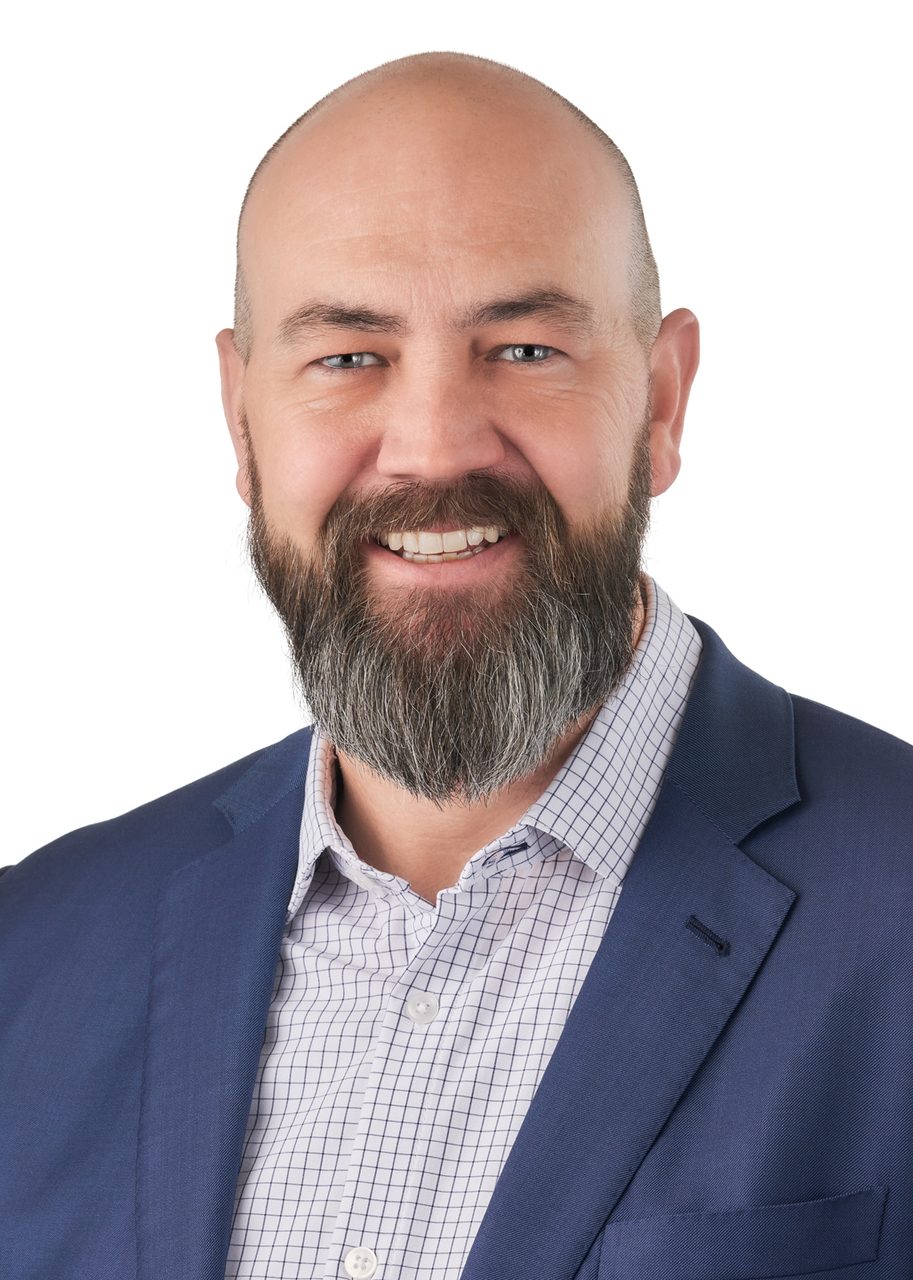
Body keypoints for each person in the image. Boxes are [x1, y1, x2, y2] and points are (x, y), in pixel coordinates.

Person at [2, 49, 911, 1280]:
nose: (432, 443)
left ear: (660, 400)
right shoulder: (34, 953)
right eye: (347, 356)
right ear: (241, 421)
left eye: (525, 348)